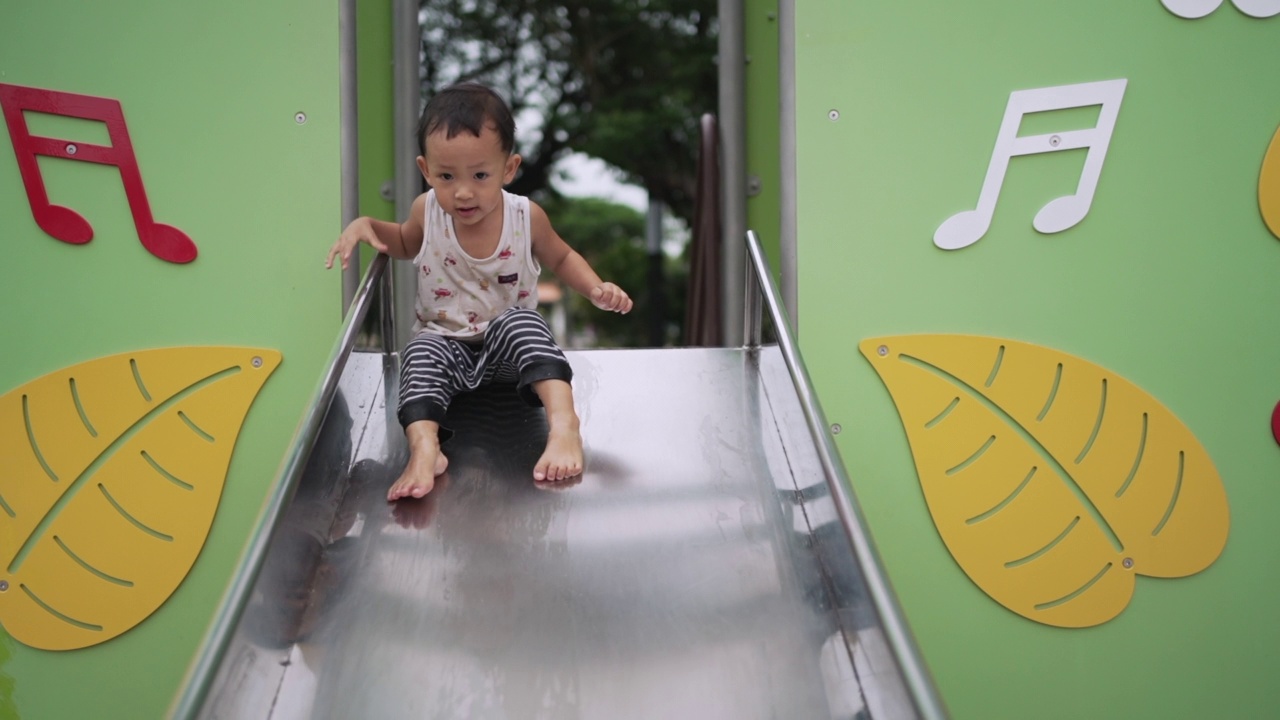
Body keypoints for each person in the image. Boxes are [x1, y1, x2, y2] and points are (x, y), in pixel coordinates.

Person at [326, 82, 632, 501]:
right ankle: (424, 449)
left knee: (524, 322)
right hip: (446, 349)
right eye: (446, 176)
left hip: (507, 356)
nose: (463, 191)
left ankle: (564, 426)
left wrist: (595, 288)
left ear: (508, 169)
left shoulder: (526, 216)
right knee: (418, 351)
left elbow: (561, 258)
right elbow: (401, 242)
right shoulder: (426, 211)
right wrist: (367, 226)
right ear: (426, 169)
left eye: (480, 175)